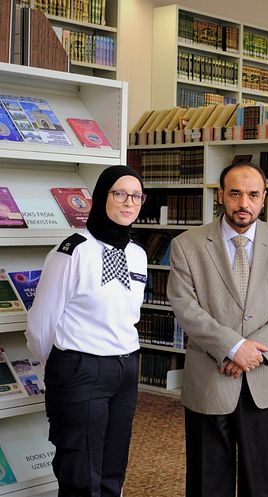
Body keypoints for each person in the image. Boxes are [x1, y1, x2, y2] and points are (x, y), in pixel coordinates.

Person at [166, 161, 268, 497]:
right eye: (235, 194)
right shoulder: (188, 245)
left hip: (265, 378)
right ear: (221, 196)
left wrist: (252, 349)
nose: (243, 203)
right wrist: (232, 347)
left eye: (252, 195)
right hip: (211, 376)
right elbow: (185, 307)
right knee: (207, 480)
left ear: (264, 199)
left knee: (260, 480)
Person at [26, 165, 147, 497]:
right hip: (81, 368)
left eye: (136, 196)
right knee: (80, 472)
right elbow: (40, 325)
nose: (129, 202)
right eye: (119, 193)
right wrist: (66, 366)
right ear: (100, 197)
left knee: (112, 467)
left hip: (124, 369)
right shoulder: (73, 250)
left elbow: (128, 316)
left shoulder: (138, 255)